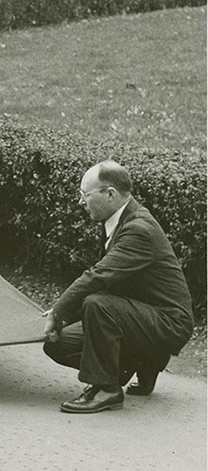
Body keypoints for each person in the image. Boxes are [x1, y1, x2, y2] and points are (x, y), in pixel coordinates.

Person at [42, 161, 193, 414]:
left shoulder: (138, 230)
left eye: (85, 195)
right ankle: (146, 359)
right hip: (146, 314)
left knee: (96, 304)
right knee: (57, 345)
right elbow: (111, 281)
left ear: (110, 194)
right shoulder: (120, 220)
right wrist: (65, 314)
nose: (81, 203)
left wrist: (60, 312)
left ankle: (107, 389)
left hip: (169, 322)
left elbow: (98, 277)